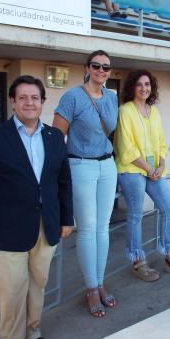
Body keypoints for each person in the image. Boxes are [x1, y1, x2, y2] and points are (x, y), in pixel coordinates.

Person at [0, 75, 74, 339]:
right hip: (6, 228)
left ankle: (33, 334)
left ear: (43, 103)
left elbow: (62, 182)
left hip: (47, 226)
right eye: (23, 97)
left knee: (37, 285)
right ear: (13, 102)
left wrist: (67, 219)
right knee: (12, 291)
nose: (29, 102)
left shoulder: (55, 137)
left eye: (35, 98)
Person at [53, 50, 118, 318]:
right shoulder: (72, 97)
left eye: (106, 67)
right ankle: (91, 288)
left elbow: (115, 133)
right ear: (87, 68)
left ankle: (100, 282)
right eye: (96, 66)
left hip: (107, 165)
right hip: (80, 165)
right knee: (88, 229)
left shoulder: (112, 98)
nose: (101, 71)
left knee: (103, 228)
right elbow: (57, 137)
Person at [114, 70, 170, 281]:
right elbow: (126, 147)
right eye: (139, 84)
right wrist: (148, 169)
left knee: (169, 207)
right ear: (132, 87)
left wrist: (161, 163)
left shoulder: (154, 111)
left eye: (147, 84)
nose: (144, 88)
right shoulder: (125, 110)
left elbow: (161, 142)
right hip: (132, 169)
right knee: (136, 213)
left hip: (154, 169)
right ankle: (138, 261)